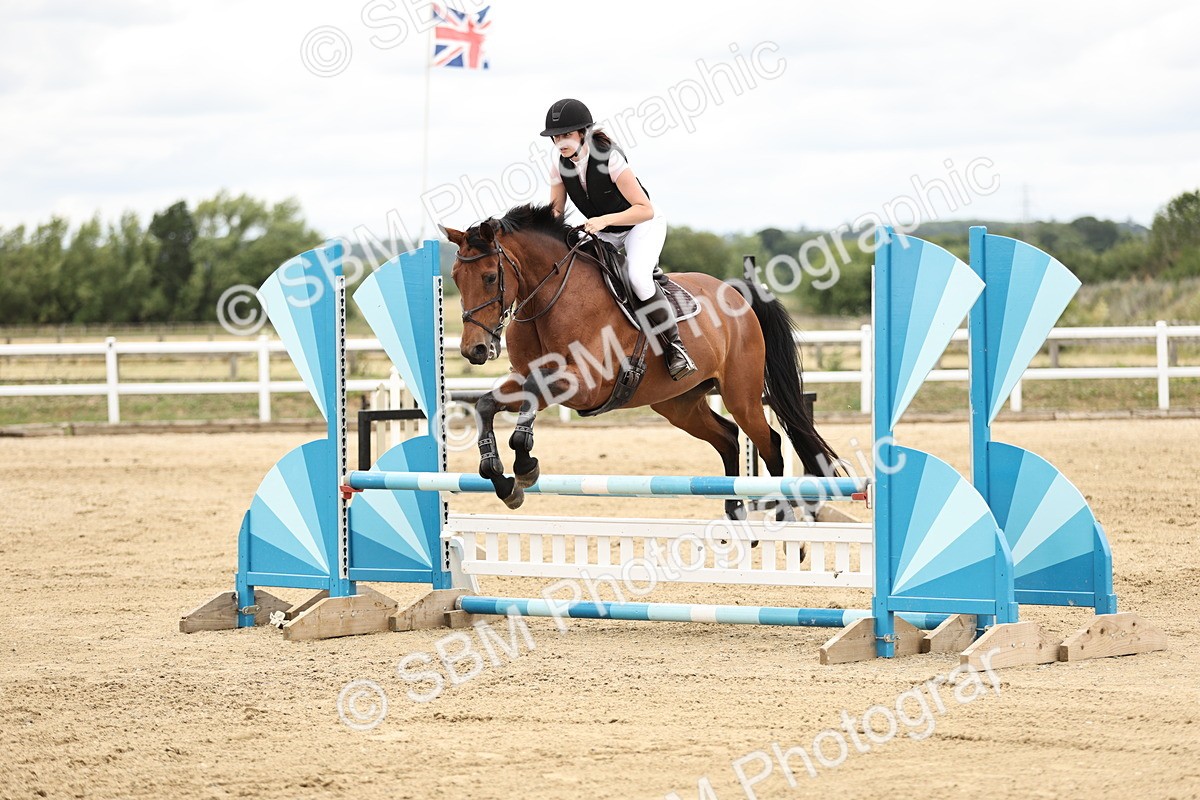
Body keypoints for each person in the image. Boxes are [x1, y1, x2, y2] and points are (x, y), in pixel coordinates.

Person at [541, 98, 696, 381]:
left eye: (566, 135)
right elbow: (555, 212)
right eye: (555, 137)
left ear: (583, 133)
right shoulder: (559, 166)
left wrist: (605, 221)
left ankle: (676, 347)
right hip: (604, 231)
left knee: (637, 276)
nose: (560, 142)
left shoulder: (609, 158)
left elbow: (644, 209)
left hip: (641, 224)